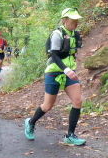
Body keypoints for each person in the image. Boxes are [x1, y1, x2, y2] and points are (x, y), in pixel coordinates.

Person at [23, 8, 86, 146]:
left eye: (77, 19)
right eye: (73, 19)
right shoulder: (57, 34)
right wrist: (66, 69)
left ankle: (70, 136)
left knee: (77, 101)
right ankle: (31, 122)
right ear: (65, 20)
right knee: (47, 106)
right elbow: (54, 56)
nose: (76, 21)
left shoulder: (75, 34)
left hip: (69, 73)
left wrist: (70, 69)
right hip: (54, 72)